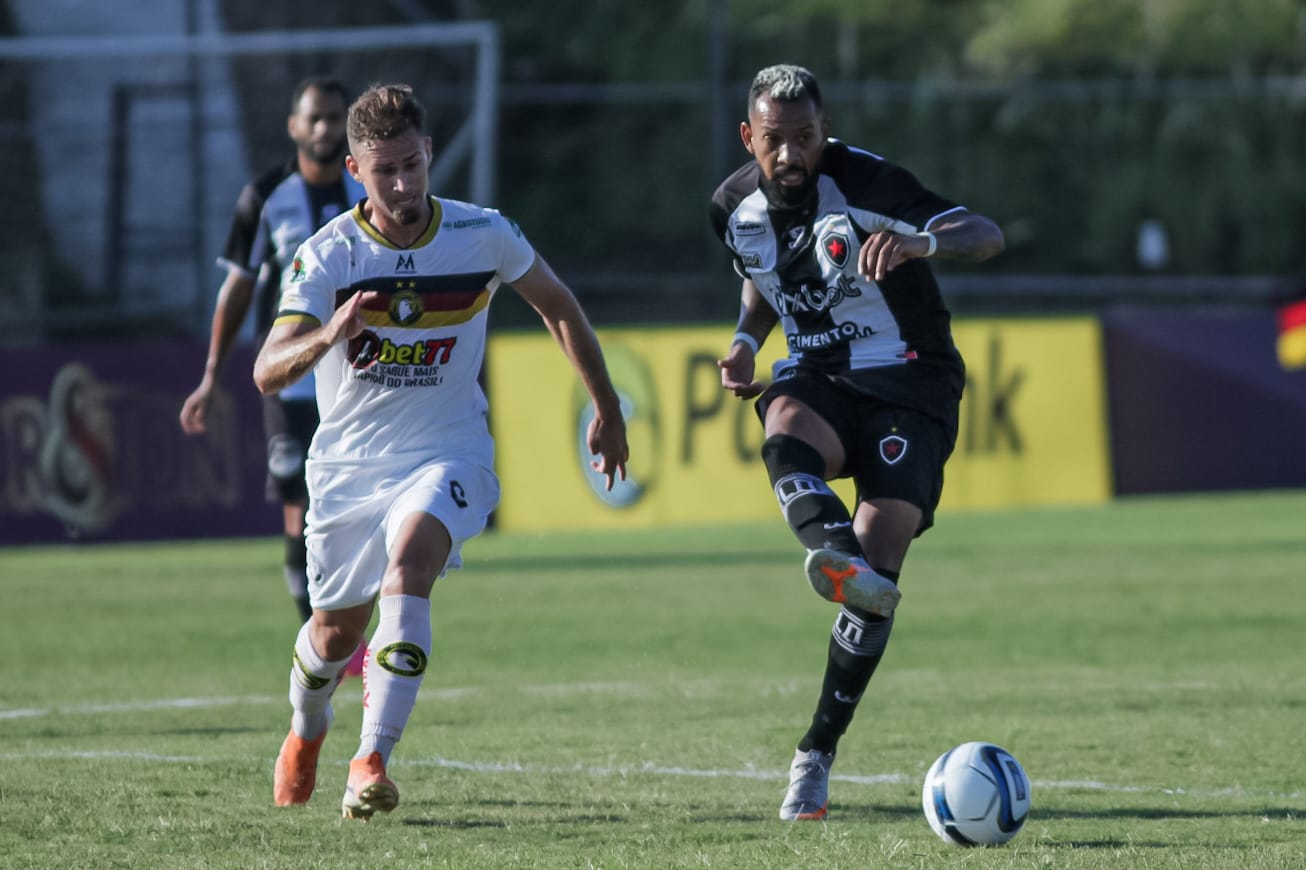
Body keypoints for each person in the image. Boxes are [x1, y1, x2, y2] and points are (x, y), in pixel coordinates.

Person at [255, 82, 628, 820]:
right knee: (334, 633)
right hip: (349, 468)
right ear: (355, 172)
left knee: (412, 563)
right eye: (383, 170)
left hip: (448, 449)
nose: (401, 185)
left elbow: (558, 305)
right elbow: (267, 368)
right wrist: (330, 332)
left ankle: (372, 759)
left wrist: (607, 406)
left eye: (410, 165)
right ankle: (308, 727)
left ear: (428, 154)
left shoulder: (481, 233)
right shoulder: (329, 255)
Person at [710, 64, 1004, 821]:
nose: (791, 156)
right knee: (784, 427)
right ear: (750, 136)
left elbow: (985, 233)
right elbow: (762, 275)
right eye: (775, 141)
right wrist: (746, 338)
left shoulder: (869, 182)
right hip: (820, 372)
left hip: (913, 377)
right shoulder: (731, 208)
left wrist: (921, 245)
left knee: (885, 546)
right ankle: (840, 561)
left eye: (805, 138)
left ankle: (815, 753)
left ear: (824, 130)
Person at [180, 76, 368, 674]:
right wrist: (212, 375)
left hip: (361, 379)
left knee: (356, 507)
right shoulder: (265, 197)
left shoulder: (369, 188)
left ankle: (349, 634)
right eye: (313, 118)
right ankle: (319, 644)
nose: (324, 128)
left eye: (335, 117)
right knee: (299, 500)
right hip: (292, 381)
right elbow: (238, 287)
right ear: (293, 126)